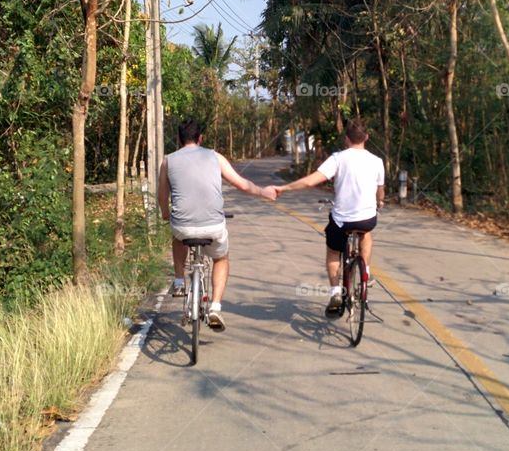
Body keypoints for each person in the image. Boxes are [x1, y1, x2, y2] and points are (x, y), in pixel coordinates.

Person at [158, 117, 276, 331]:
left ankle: (178, 281)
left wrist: (166, 214)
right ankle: (215, 307)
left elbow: (162, 195)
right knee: (221, 258)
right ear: (200, 138)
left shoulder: (168, 160)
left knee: (176, 236)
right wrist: (263, 192)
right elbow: (242, 184)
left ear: (178, 138)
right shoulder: (215, 157)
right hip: (213, 226)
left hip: (182, 226)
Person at [274, 119, 384, 318]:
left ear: (346, 139)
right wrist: (380, 202)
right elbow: (380, 191)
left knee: (333, 251)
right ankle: (365, 273)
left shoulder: (338, 158)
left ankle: (335, 293)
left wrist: (284, 188)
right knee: (366, 234)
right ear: (366, 137)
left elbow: (311, 181)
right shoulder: (377, 161)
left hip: (341, 220)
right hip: (367, 219)